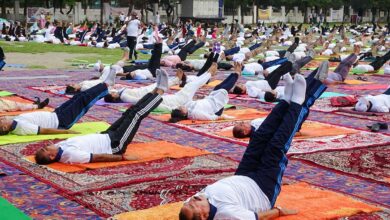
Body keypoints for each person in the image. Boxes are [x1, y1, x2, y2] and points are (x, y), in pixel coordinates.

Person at [179, 70, 327, 220]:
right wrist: (279, 211)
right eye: (192, 205)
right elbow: (258, 217)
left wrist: (190, 205)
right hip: (262, 189)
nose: (192, 200)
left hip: (243, 176)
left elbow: (190, 206)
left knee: (259, 137)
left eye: (188, 203)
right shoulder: (226, 215)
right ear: (204, 216)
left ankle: (285, 101)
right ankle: (296, 104)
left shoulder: (195, 203)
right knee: (276, 146)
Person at [33, 70, 169, 165]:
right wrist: (121, 158)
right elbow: (96, 157)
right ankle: (161, 91)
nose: (46, 146)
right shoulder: (70, 155)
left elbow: (51, 145)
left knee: (130, 112)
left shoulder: (58, 148)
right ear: (52, 156)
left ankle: (155, 90)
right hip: (114, 144)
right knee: (136, 115)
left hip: (106, 135)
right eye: (45, 149)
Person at [0, 82, 111, 136]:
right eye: (1, 121)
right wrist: (67, 132)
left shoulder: (15, 122)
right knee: (84, 100)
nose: (2, 119)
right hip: (62, 121)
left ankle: (104, 86)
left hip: (56, 114)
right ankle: (106, 86)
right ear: (5, 127)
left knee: (78, 97)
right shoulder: (20, 127)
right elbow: (44, 131)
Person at [169, 62, 242, 122]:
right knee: (223, 89)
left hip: (209, 100)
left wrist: (202, 98)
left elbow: (197, 103)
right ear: (183, 114)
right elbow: (210, 117)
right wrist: (223, 117)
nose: (180, 107)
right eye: (180, 109)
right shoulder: (195, 114)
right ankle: (237, 74)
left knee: (218, 87)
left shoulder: (187, 107)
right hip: (215, 108)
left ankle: (234, 73)